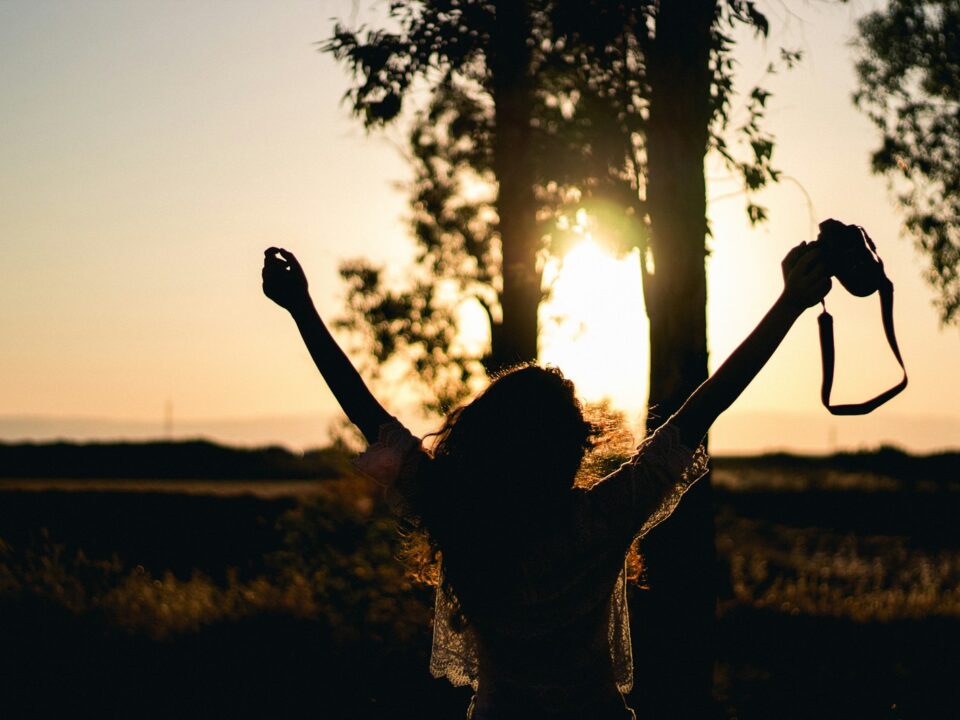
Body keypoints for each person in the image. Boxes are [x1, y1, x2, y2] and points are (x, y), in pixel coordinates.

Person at [261, 242, 831, 720]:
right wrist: (790, 303)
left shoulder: (461, 519)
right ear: (570, 448)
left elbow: (369, 415)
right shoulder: (601, 520)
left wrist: (301, 309)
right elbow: (701, 410)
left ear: (483, 444)